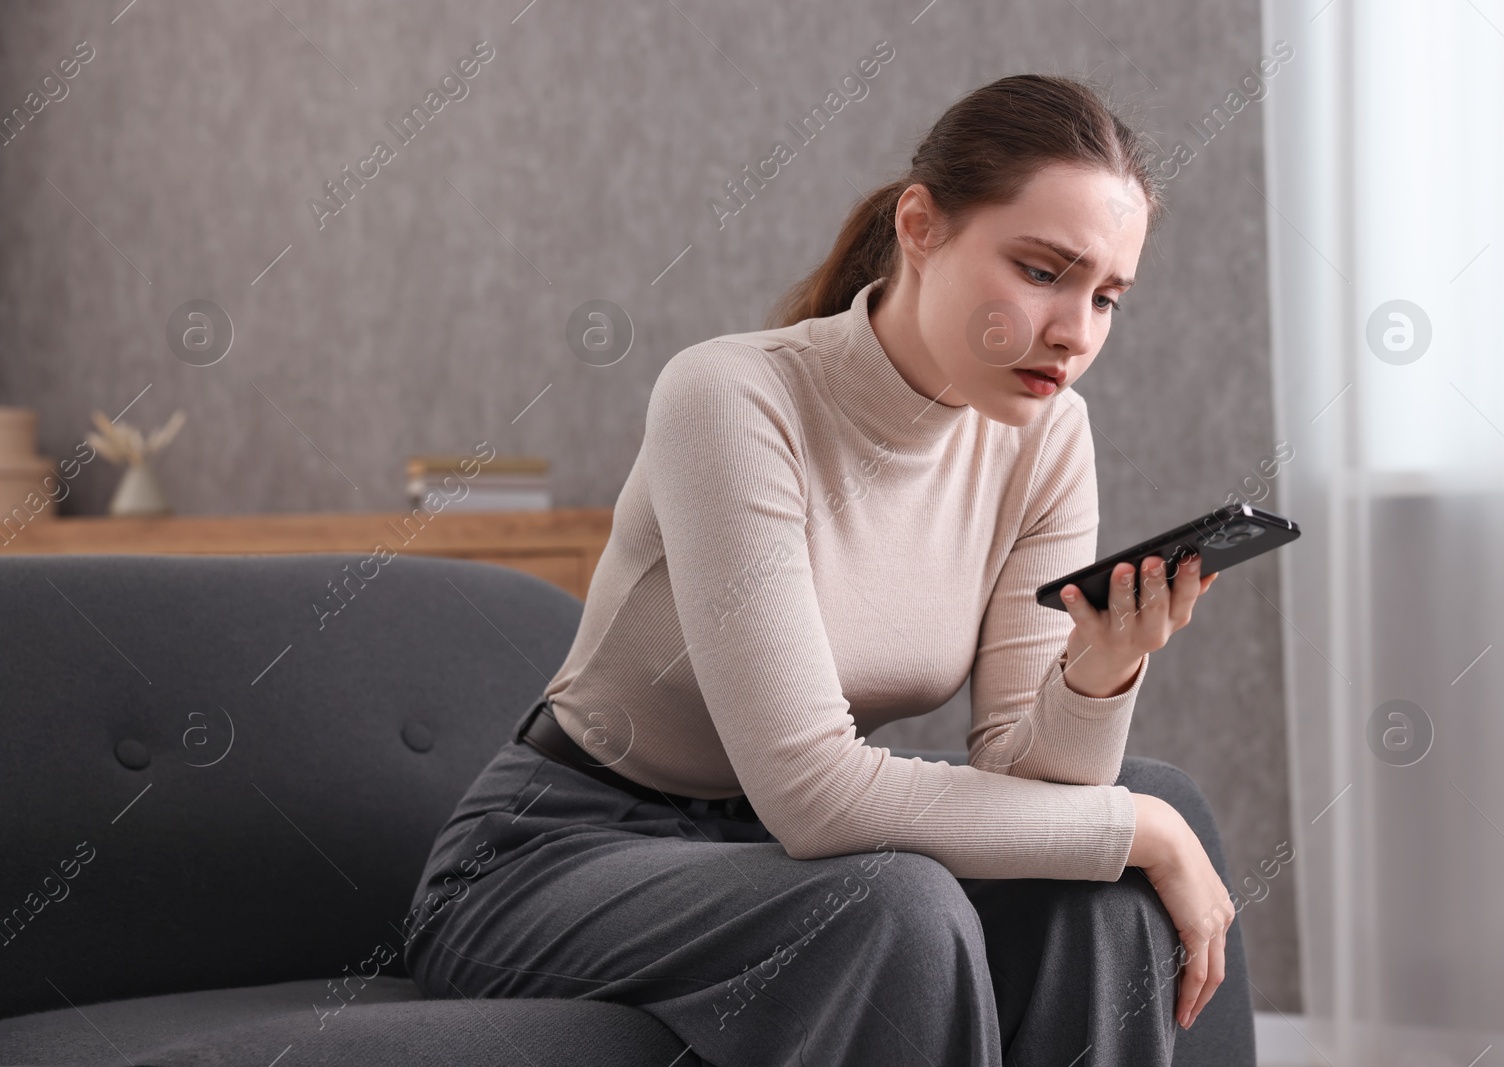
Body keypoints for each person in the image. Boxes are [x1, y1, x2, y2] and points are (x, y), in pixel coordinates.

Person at [404, 72, 1254, 1066]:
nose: (1075, 332)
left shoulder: (1047, 433)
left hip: (773, 857)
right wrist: (1142, 827)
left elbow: (1027, 780)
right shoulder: (731, 397)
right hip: (556, 856)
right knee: (911, 896)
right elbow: (815, 792)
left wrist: (1096, 675)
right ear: (920, 226)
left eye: (1105, 295)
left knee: (1098, 885)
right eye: (1039, 271)